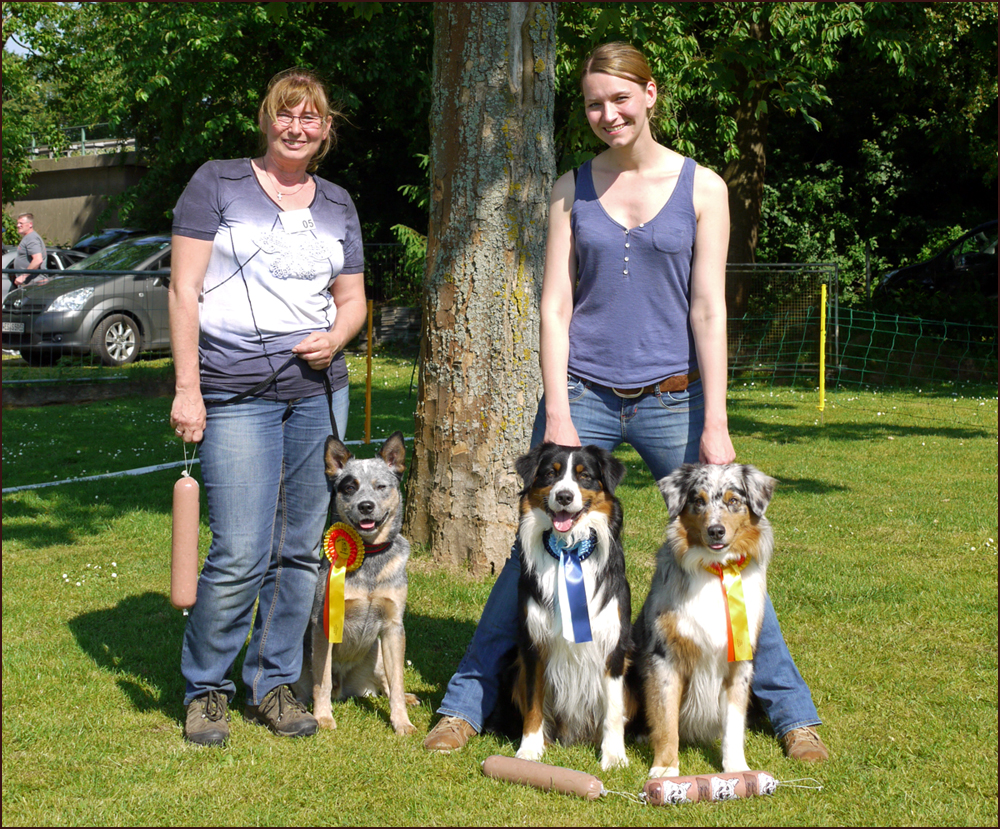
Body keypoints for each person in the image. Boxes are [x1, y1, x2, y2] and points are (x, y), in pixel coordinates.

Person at [423, 42, 829, 764]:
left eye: (619, 98)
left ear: (650, 93)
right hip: (582, 393)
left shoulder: (704, 188)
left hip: (676, 395)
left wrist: (716, 420)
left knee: (729, 553)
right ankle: (464, 704)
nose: (607, 114)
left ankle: (792, 713)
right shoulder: (569, 189)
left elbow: (708, 308)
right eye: (593, 103)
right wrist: (557, 411)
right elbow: (554, 305)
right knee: (531, 556)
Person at [169, 67, 368, 746]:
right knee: (240, 550)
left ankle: (274, 682)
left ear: (326, 128)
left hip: (319, 393)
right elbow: (183, 290)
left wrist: (336, 337)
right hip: (233, 391)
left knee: (302, 551)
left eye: (311, 117)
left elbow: (352, 300)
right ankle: (206, 690)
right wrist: (188, 388)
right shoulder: (217, 183)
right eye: (286, 113)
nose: (297, 127)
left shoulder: (337, 202)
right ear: (266, 119)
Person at [12, 213, 47, 286]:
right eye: (18, 223)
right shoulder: (28, 237)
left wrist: (23, 276)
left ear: (30, 224)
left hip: (34, 284)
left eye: (21, 223)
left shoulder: (32, 238)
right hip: (29, 283)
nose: (18, 225)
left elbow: (38, 260)